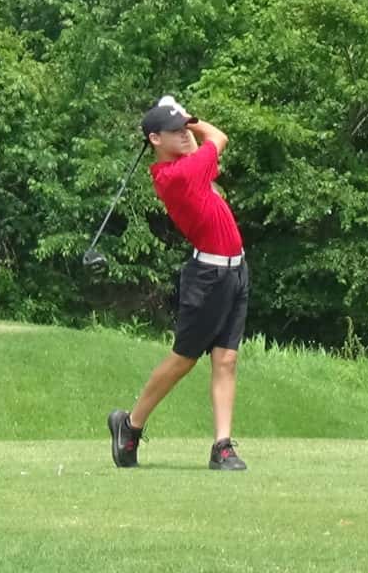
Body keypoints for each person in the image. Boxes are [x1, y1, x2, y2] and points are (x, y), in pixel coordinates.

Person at [107, 97, 250, 471]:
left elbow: (208, 145)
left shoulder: (187, 165)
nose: (185, 135)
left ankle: (222, 447)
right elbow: (218, 137)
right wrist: (193, 119)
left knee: (227, 359)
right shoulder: (178, 175)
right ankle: (130, 425)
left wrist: (183, 121)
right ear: (155, 139)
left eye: (185, 129)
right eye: (175, 131)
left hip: (236, 270)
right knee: (184, 359)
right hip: (208, 277)